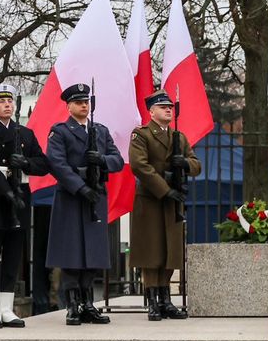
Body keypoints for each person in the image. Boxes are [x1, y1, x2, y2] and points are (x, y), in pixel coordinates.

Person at [0, 83, 49, 328]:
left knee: (14, 256)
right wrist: (5, 190)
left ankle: (7, 308)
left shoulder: (24, 133)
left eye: (10, 101)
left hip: (19, 197)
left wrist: (24, 162)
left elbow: (43, 164)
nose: (7, 105)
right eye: (1, 102)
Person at [45, 83, 125, 326]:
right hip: (72, 197)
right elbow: (56, 164)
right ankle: (72, 304)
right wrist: (80, 186)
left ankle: (88, 302)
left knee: (92, 253)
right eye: (78, 102)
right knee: (72, 254)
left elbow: (118, 160)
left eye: (86, 102)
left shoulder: (100, 131)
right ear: (68, 106)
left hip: (96, 196)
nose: (83, 105)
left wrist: (100, 160)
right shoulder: (60, 131)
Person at [128, 90, 202, 321]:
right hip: (151, 199)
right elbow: (139, 166)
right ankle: (152, 300)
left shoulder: (179, 137)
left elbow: (197, 164)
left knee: (170, 250)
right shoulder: (141, 135)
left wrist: (185, 164)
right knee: (151, 251)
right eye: (163, 107)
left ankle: (166, 299)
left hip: (172, 201)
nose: (169, 109)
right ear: (151, 111)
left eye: (170, 106)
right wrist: (165, 189)